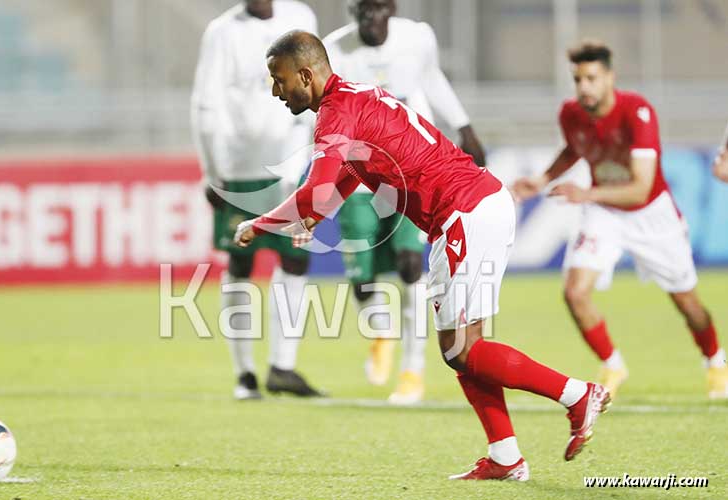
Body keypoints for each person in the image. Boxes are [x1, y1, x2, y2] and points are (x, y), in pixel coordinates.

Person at [235, 30, 610, 481]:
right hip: (469, 210)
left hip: (465, 212)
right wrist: (317, 214)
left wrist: (258, 224)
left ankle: (576, 395)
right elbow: (350, 174)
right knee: (460, 349)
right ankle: (506, 457)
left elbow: (314, 192)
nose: (276, 91)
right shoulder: (353, 99)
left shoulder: (336, 112)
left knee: (463, 350)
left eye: (279, 80)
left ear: (306, 74)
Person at [512, 41, 728, 400]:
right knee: (574, 292)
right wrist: (542, 178)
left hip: (651, 215)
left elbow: (641, 188)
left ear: (610, 77)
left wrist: (586, 193)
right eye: (578, 79)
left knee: (688, 305)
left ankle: (714, 360)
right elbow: (575, 148)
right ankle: (613, 364)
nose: (584, 87)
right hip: (604, 214)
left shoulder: (637, 112)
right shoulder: (570, 114)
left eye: (591, 78)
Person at [322, 0, 487, 404]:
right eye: (365, 9)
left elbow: (431, 80)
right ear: (352, 10)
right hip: (358, 177)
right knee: (362, 279)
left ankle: (412, 371)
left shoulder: (417, 38)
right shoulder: (334, 51)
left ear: (392, 8)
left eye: (380, 8)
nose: (373, 18)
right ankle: (380, 330)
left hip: (409, 171)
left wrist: (463, 126)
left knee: (412, 266)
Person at [191, 0, 323, 399]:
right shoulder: (222, 32)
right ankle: (244, 374)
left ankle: (283, 366)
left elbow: (319, 88)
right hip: (242, 166)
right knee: (242, 262)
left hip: (294, 163)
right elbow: (205, 104)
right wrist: (212, 172)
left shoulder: (303, 17)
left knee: (296, 259)